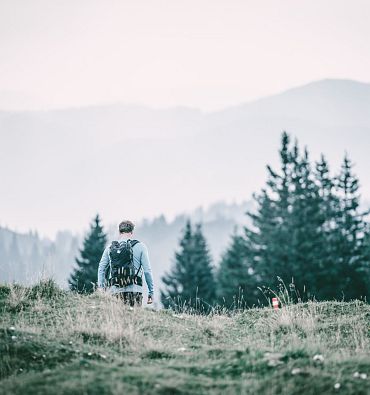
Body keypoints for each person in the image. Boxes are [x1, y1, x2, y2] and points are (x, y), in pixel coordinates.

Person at [97, 220, 154, 306]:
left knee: (117, 319)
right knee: (134, 319)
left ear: (119, 232)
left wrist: (101, 288)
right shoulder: (141, 247)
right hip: (135, 290)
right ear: (132, 232)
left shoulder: (110, 248)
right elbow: (147, 271)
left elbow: (101, 268)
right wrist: (151, 291)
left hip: (115, 292)